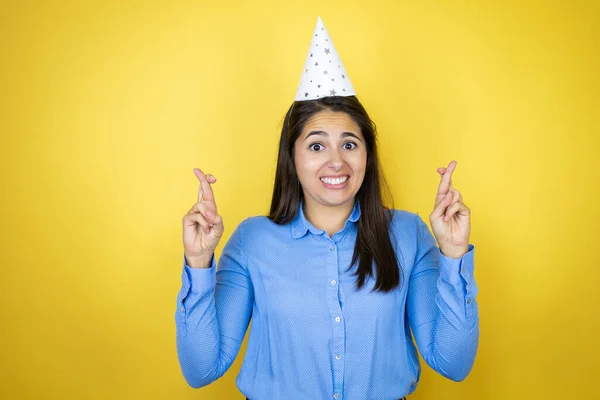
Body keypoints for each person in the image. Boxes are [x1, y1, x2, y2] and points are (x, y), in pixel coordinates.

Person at [175, 17, 479, 400]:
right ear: (293, 157)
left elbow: (453, 363)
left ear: (367, 154)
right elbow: (202, 370)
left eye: (349, 144)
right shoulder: (252, 240)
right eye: (317, 146)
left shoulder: (408, 233)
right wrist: (199, 263)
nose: (336, 161)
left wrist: (453, 255)